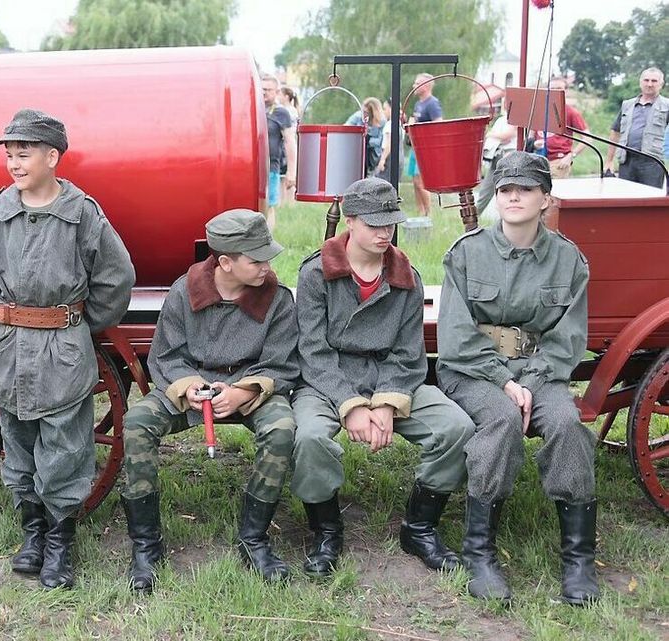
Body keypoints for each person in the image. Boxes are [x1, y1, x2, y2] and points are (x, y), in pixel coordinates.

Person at [0, 109, 134, 590]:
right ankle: (32, 532)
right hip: (12, 344)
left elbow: (116, 276)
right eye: (9, 155)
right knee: (16, 438)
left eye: (25, 153)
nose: (15, 163)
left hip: (63, 345)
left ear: (52, 157)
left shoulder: (81, 213)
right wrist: (9, 312)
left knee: (65, 443)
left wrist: (77, 325)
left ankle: (60, 538)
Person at [437, 151, 597, 606]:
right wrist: (504, 381)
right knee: (502, 420)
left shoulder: (568, 261)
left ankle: (579, 559)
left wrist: (531, 378)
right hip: (473, 371)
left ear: (545, 198)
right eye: (505, 189)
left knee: (567, 426)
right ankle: (480, 553)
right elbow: (455, 337)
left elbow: (568, 338)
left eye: (525, 189)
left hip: (541, 372)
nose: (513, 197)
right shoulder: (467, 253)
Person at [291, 177, 472, 577]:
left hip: (391, 376)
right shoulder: (316, 273)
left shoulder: (405, 275)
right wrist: (352, 406)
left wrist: (388, 403)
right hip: (328, 379)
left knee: (455, 427)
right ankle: (326, 530)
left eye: (389, 222)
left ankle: (420, 527)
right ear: (350, 222)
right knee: (309, 436)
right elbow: (313, 350)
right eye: (374, 223)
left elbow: (410, 353)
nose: (383, 232)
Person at [119, 209, 299, 592]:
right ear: (226, 262)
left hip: (251, 387)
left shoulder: (278, 299)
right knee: (136, 423)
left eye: (268, 257)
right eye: (257, 260)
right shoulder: (183, 292)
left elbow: (283, 362)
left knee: (283, 428)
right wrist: (187, 386)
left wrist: (243, 391)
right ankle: (146, 546)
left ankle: (254, 539)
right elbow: (165, 355)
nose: (267, 267)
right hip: (192, 384)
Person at [606, 67, 668, 188]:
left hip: (652, 162)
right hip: (627, 161)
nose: (649, 84)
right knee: (626, 201)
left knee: (651, 201)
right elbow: (615, 132)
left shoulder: (667, 106)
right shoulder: (627, 105)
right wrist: (609, 161)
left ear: (661, 84)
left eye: (654, 81)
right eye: (646, 80)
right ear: (640, 82)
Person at [532, 77, 589, 180]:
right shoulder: (539, 110)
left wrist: (571, 156)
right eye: (552, 89)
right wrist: (533, 144)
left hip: (558, 162)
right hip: (538, 160)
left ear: (565, 91)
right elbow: (531, 136)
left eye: (559, 88)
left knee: (554, 193)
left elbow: (587, 138)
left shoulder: (571, 112)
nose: (555, 92)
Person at [407, 73, 443, 216]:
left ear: (426, 86)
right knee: (415, 182)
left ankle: (428, 214)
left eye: (417, 84)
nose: (414, 86)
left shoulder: (432, 103)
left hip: (425, 148)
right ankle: (420, 212)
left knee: (420, 181)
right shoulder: (418, 104)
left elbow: (438, 123)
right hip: (415, 147)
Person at [261, 74, 293, 230]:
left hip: (271, 166)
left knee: (269, 206)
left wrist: (292, 172)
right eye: (262, 89)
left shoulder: (281, 113)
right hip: (251, 168)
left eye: (268, 89)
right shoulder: (252, 108)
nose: (264, 93)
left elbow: (289, 142)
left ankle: (267, 242)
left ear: (276, 91)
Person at [476, 101, 517, 214]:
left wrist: (492, 135)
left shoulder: (515, 119)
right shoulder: (501, 120)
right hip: (496, 155)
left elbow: (507, 136)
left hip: (509, 157)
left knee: (508, 189)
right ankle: (474, 218)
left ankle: (508, 218)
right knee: (486, 190)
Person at [280, 86, 300, 201]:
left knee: (288, 172)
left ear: (286, 97)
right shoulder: (292, 110)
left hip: (288, 142)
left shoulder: (288, 111)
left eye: (280, 94)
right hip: (290, 141)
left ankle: (288, 200)